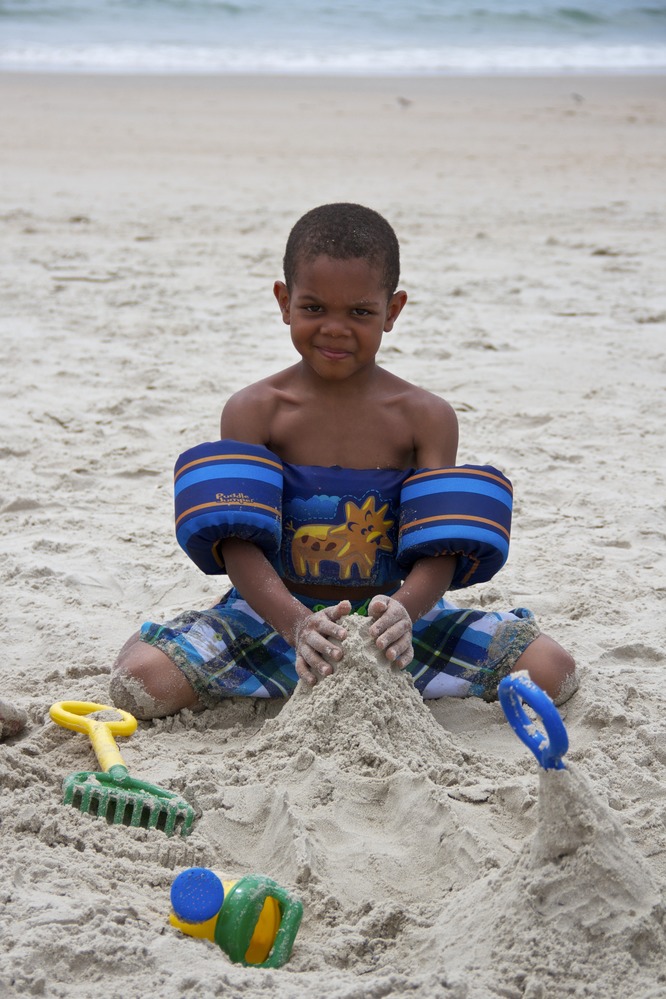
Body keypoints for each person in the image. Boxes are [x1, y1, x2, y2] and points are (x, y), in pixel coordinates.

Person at [110, 203, 576, 720]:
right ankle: (163, 634)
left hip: (396, 625)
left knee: (553, 670)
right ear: (284, 302)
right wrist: (295, 623)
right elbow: (237, 541)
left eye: (359, 312)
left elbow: (439, 544)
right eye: (314, 308)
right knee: (141, 684)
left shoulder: (425, 417)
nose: (335, 328)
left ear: (392, 311)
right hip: (274, 618)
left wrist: (404, 611)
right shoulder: (256, 411)